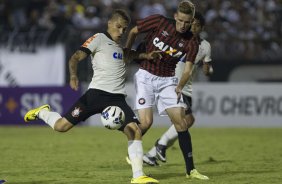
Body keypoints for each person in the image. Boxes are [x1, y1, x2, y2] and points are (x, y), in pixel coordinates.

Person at [24, 9, 160, 184]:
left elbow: (128, 55)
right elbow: (75, 57)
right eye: (119, 27)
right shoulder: (99, 38)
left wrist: (145, 55)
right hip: (95, 94)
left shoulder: (119, 46)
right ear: (110, 24)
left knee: (134, 131)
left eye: (124, 29)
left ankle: (138, 176)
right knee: (61, 126)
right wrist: (73, 75)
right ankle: (43, 112)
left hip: (117, 98)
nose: (121, 32)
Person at [125, 0, 209, 180]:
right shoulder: (159, 21)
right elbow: (133, 31)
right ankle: (134, 154)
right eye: (181, 21)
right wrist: (128, 51)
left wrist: (179, 86)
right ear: (176, 16)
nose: (184, 25)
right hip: (146, 75)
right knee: (146, 123)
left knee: (182, 122)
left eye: (188, 22)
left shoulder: (192, 43)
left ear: (191, 20)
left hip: (168, 81)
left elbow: (187, 70)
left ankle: (191, 170)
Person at [143, 11, 213, 166]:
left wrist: (207, 69)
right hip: (173, 84)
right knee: (187, 120)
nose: (192, 28)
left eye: (196, 26)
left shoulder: (205, 46)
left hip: (187, 88)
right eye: (191, 24)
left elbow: (207, 68)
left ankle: (151, 155)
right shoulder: (178, 39)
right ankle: (160, 145)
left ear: (201, 27)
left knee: (184, 122)